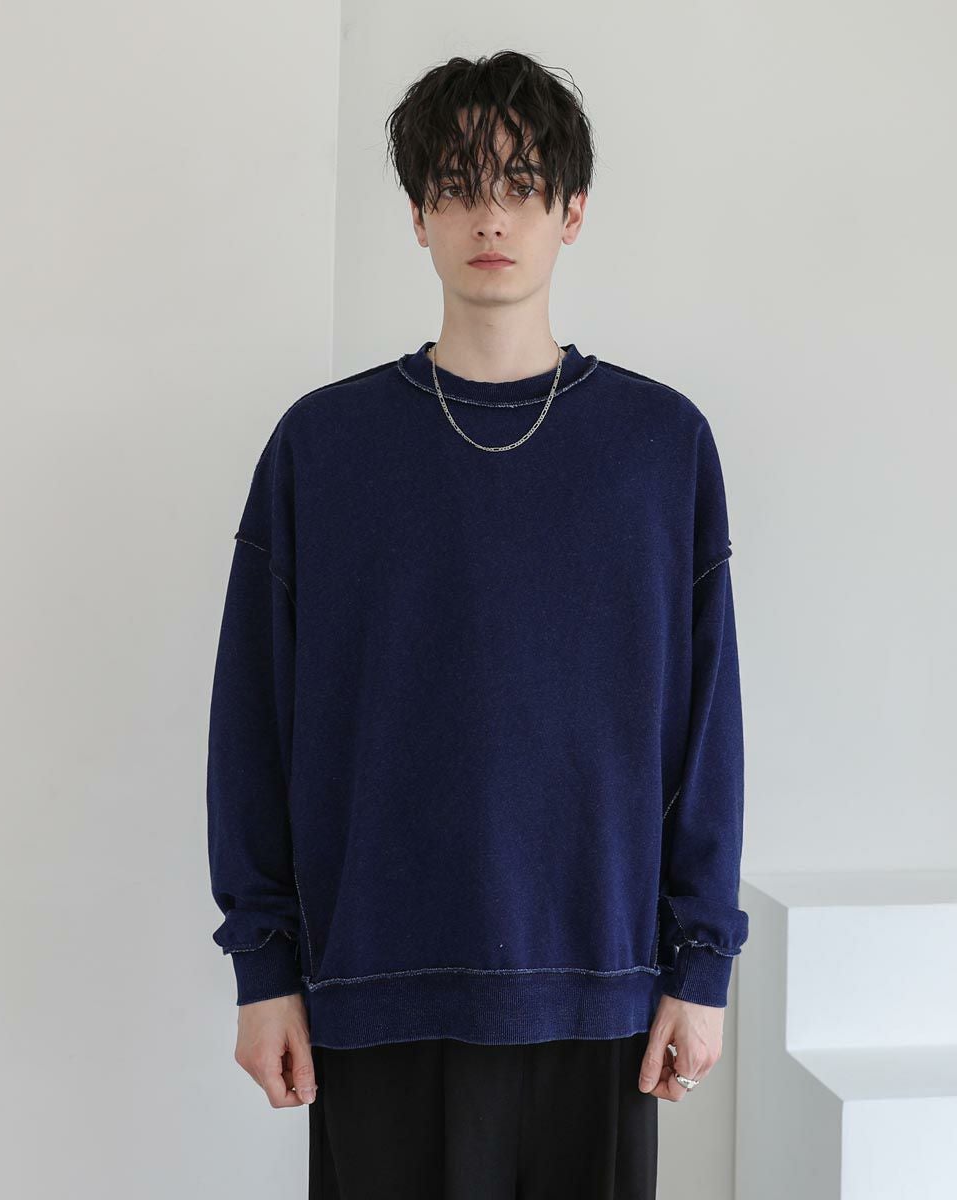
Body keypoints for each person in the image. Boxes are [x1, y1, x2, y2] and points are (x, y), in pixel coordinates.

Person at [206, 49, 748, 1199]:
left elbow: (706, 727)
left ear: (571, 210)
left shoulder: (659, 449)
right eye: (455, 186)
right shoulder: (323, 448)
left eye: (520, 184)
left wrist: (700, 966)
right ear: (417, 216)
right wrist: (263, 967)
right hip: (376, 989)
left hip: (598, 990)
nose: (488, 216)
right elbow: (252, 721)